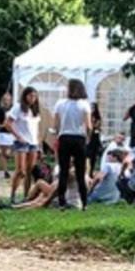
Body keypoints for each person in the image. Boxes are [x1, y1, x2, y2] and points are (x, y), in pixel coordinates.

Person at [53, 78, 93, 211]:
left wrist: (56, 134)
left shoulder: (60, 104)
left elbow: (56, 125)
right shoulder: (84, 104)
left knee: (63, 170)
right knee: (80, 172)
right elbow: (89, 126)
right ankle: (84, 203)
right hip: (79, 138)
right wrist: (87, 138)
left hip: (64, 137)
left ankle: (62, 202)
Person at [6, 87, 41, 202]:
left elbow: (36, 128)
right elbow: (8, 123)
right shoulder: (18, 108)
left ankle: (27, 195)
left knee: (30, 170)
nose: (33, 99)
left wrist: (39, 142)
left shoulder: (35, 110)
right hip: (22, 142)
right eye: (30, 96)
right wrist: (18, 137)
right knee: (21, 170)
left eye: (35, 96)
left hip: (33, 142)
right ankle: (13, 194)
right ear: (25, 96)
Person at [0, 92, 14, 178]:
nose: (7, 101)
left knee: (10, 152)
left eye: (8, 100)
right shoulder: (0, 110)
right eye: (5, 100)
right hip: (3, 134)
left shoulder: (14, 110)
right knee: (3, 153)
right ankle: (5, 171)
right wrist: (3, 125)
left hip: (12, 134)